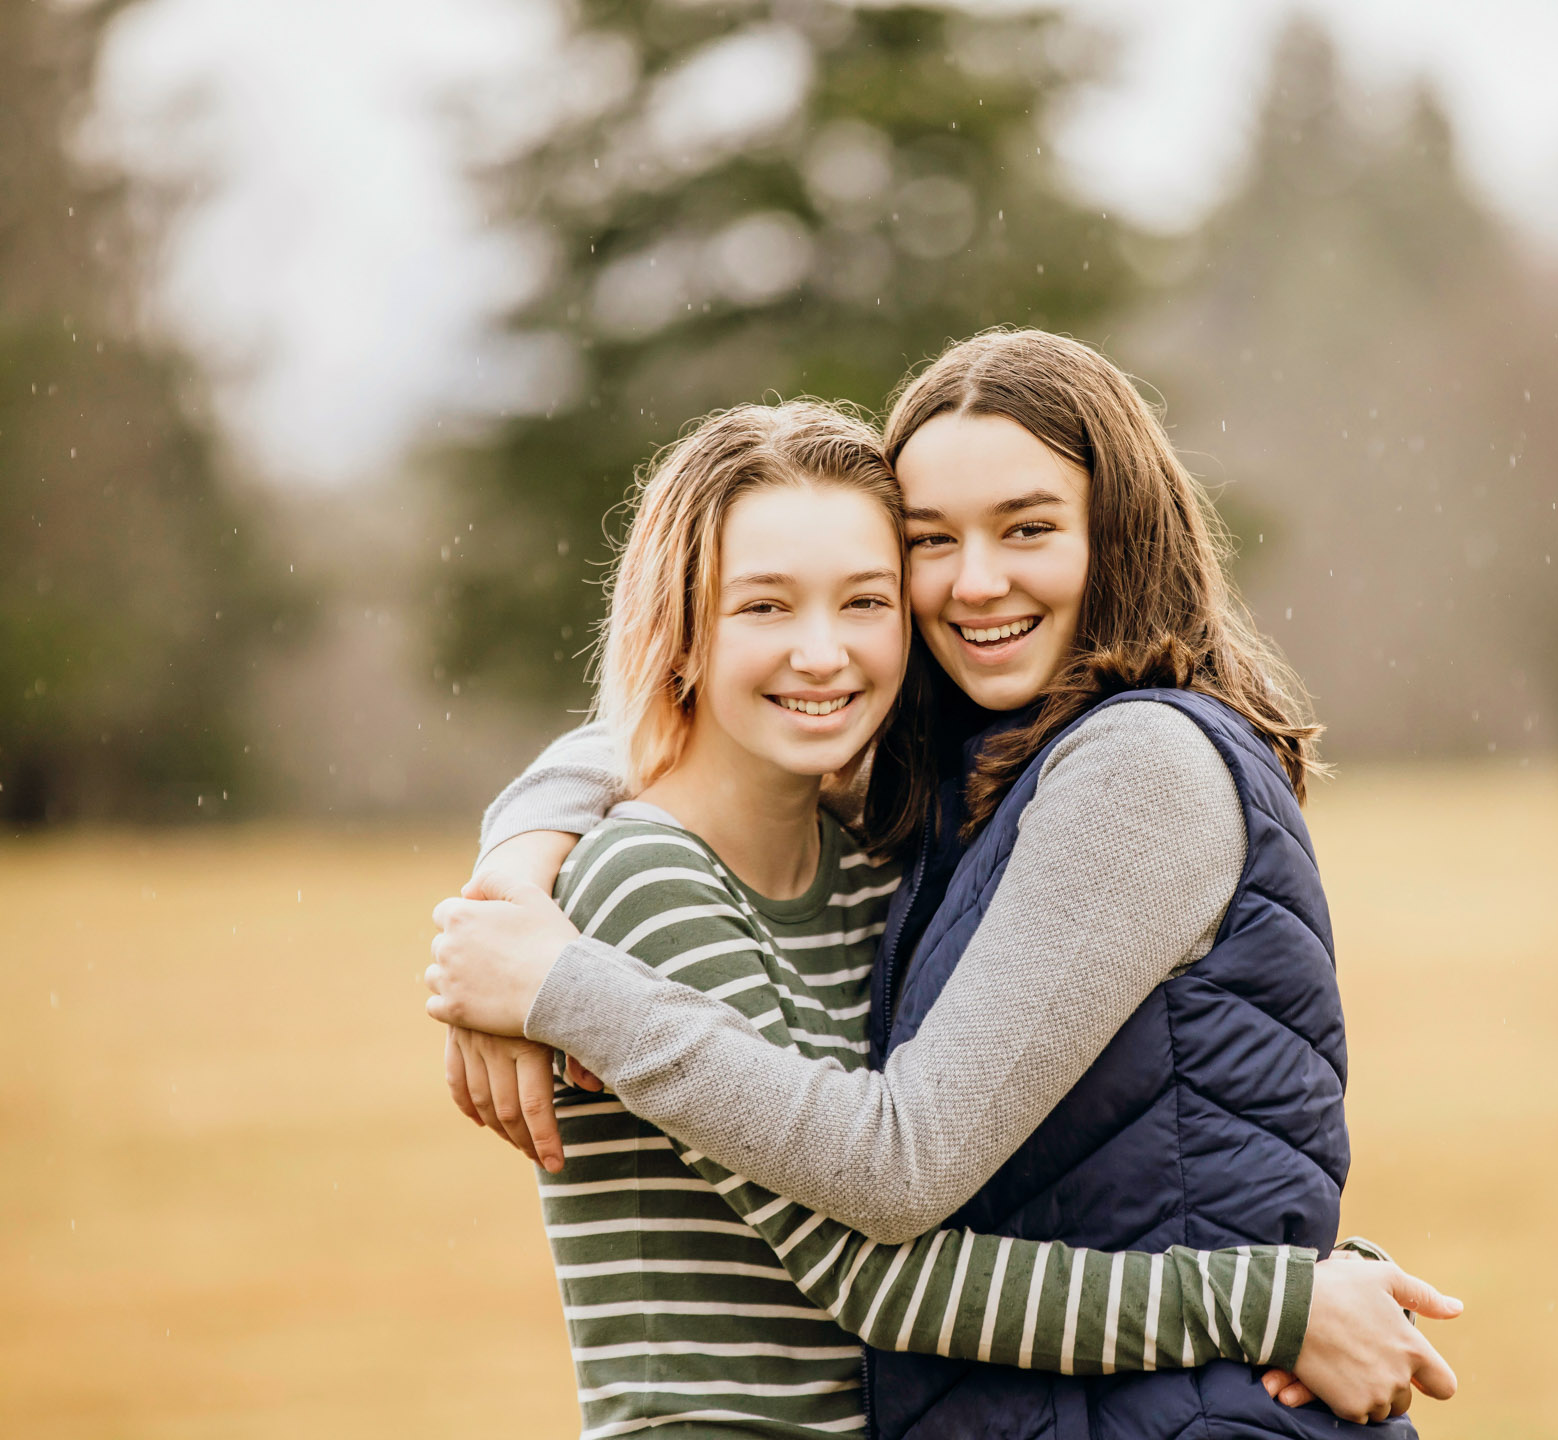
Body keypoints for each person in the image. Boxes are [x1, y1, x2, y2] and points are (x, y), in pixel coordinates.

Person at [429, 330, 1461, 1433]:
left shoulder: (1044, 795)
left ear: (1119, 535)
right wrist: (522, 884)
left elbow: (906, 1187)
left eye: (1028, 528)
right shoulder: (877, 823)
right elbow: (904, 1244)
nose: (975, 582)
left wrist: (547, 972)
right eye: (933, 541)